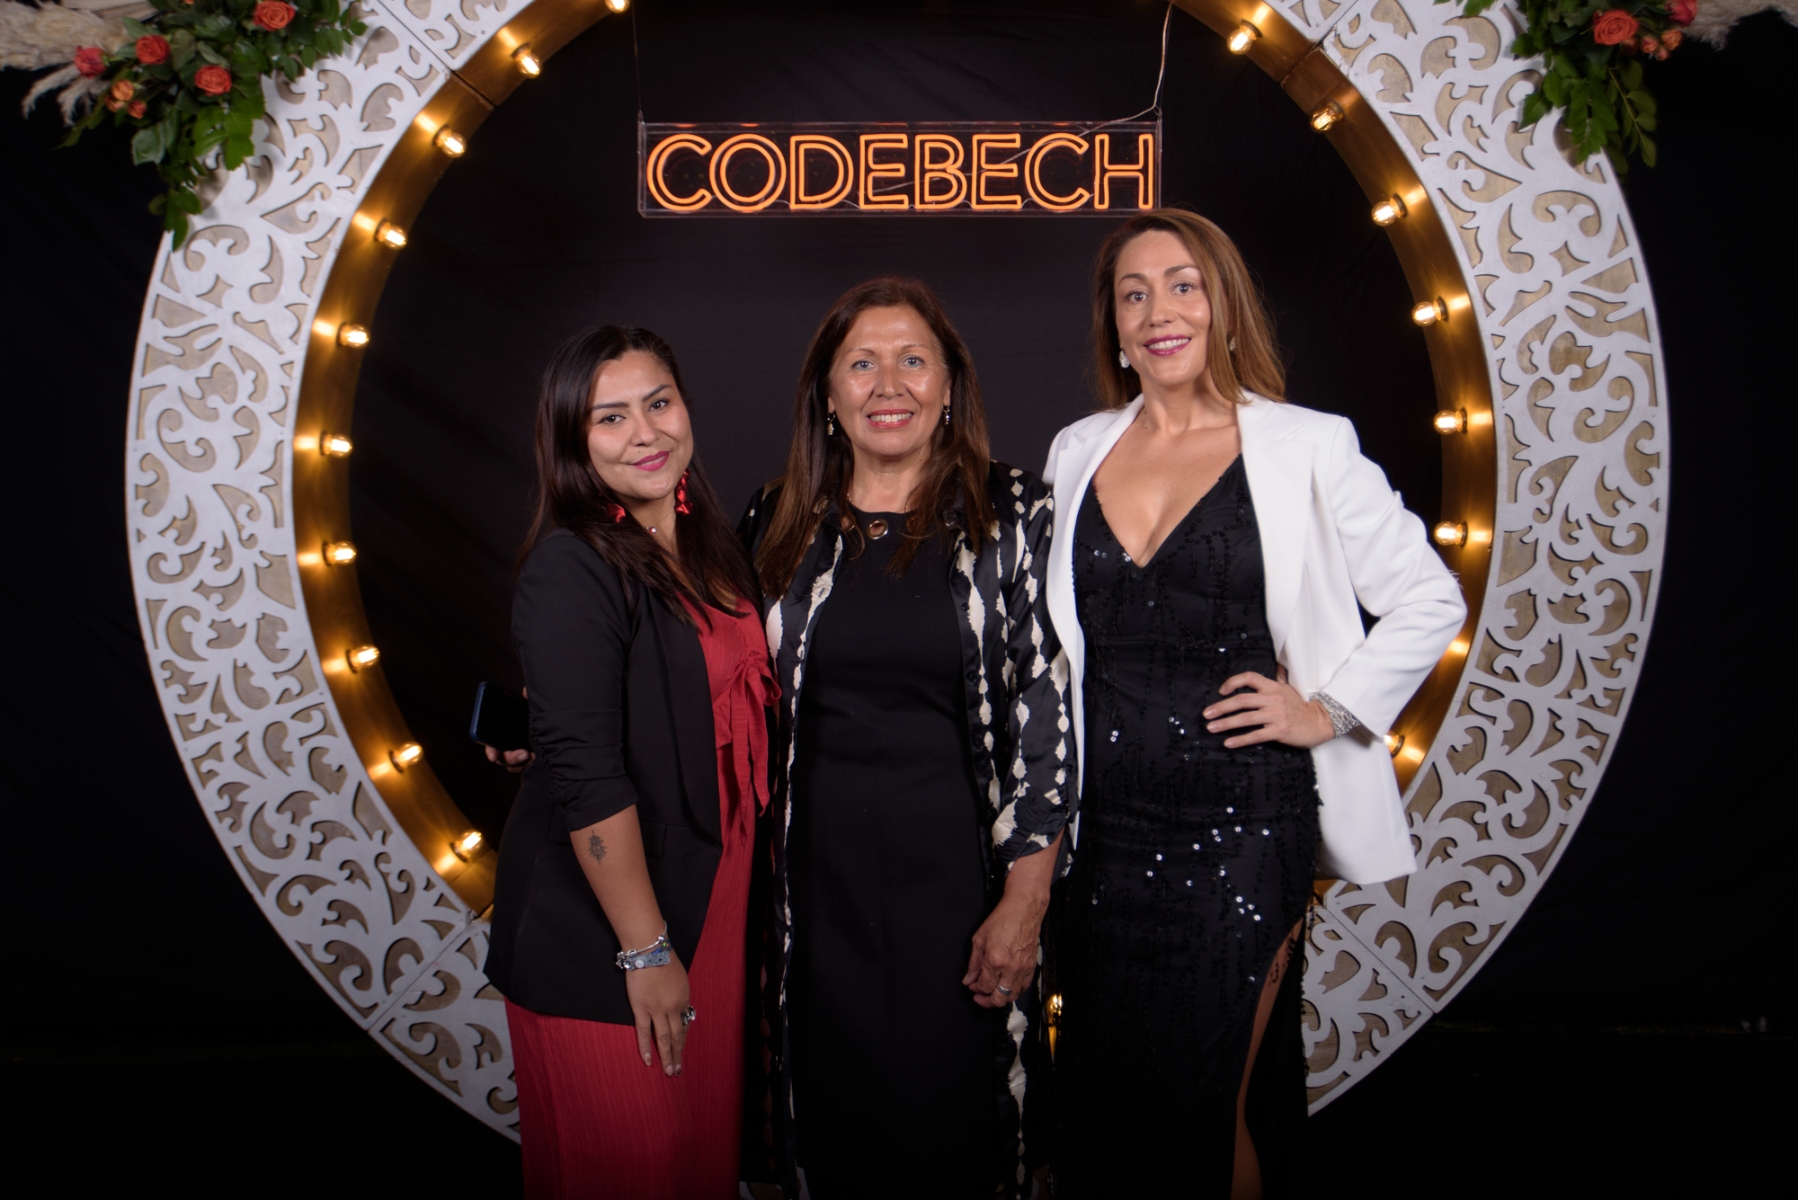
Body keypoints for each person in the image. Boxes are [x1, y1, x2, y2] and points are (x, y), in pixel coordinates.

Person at [1041, 210, 1466, 1198]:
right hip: (1102, 834)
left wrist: (1328, 709)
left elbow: (1429, 596)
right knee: (1109, 1100)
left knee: (1204, 1101)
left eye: (1182, 285)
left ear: (1224, 307)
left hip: (1241, 824)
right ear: (1114, 325)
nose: (1159, 311)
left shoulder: (1307, 445)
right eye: (1134, 293)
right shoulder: (1075, 450)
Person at [737, 277, 1075, 1199]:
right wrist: (563, 721)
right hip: (814, 901)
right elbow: (707, 678)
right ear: (828, 395)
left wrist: (1024, 903)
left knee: (957, 1135)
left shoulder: (1015, 513)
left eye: (913, 360)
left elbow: (1048, 715)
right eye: (862, 363)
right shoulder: (776, 520)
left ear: (949, 386)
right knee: (832, 1136)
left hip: (963, 896)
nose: (889, 383)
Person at [485, 325, 775, 1200]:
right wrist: (645, 953)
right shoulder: (571, 566)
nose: (645, 433)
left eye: (659, 403)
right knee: (634, 1167)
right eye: (610, 418)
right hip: (611, 929)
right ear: (572, 439)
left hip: (714, 898)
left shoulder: (711, 542)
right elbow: (589, 778)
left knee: (699, 1164)